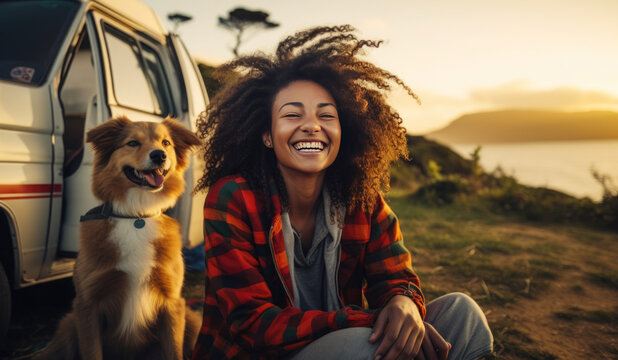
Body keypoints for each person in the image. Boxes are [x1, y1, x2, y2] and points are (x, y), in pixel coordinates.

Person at [192, 25, 493, 360]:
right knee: (363, 344)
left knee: (462, 314)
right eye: (292, 114)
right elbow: (253, 326)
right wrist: (371, 320)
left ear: (342, 131)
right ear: (266, 134)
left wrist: (402, 301)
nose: (312, 125)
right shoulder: (233, 197)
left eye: (326, 115)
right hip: (265, 354)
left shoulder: (361, 198)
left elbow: (396, 275)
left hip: (342, 341)